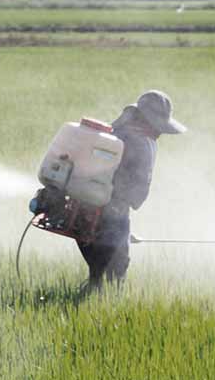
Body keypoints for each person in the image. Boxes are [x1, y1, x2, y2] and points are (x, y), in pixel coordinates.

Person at [77, 90, 185, 292]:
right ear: (151, 121)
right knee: (115, 271)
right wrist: (119, 226)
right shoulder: (142, 143)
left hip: (84, 203)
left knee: (98, 262)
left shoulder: (115, 131)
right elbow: (136, 191)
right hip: (111, 208)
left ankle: (94, 289)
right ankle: (101, 298)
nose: (161, 133)